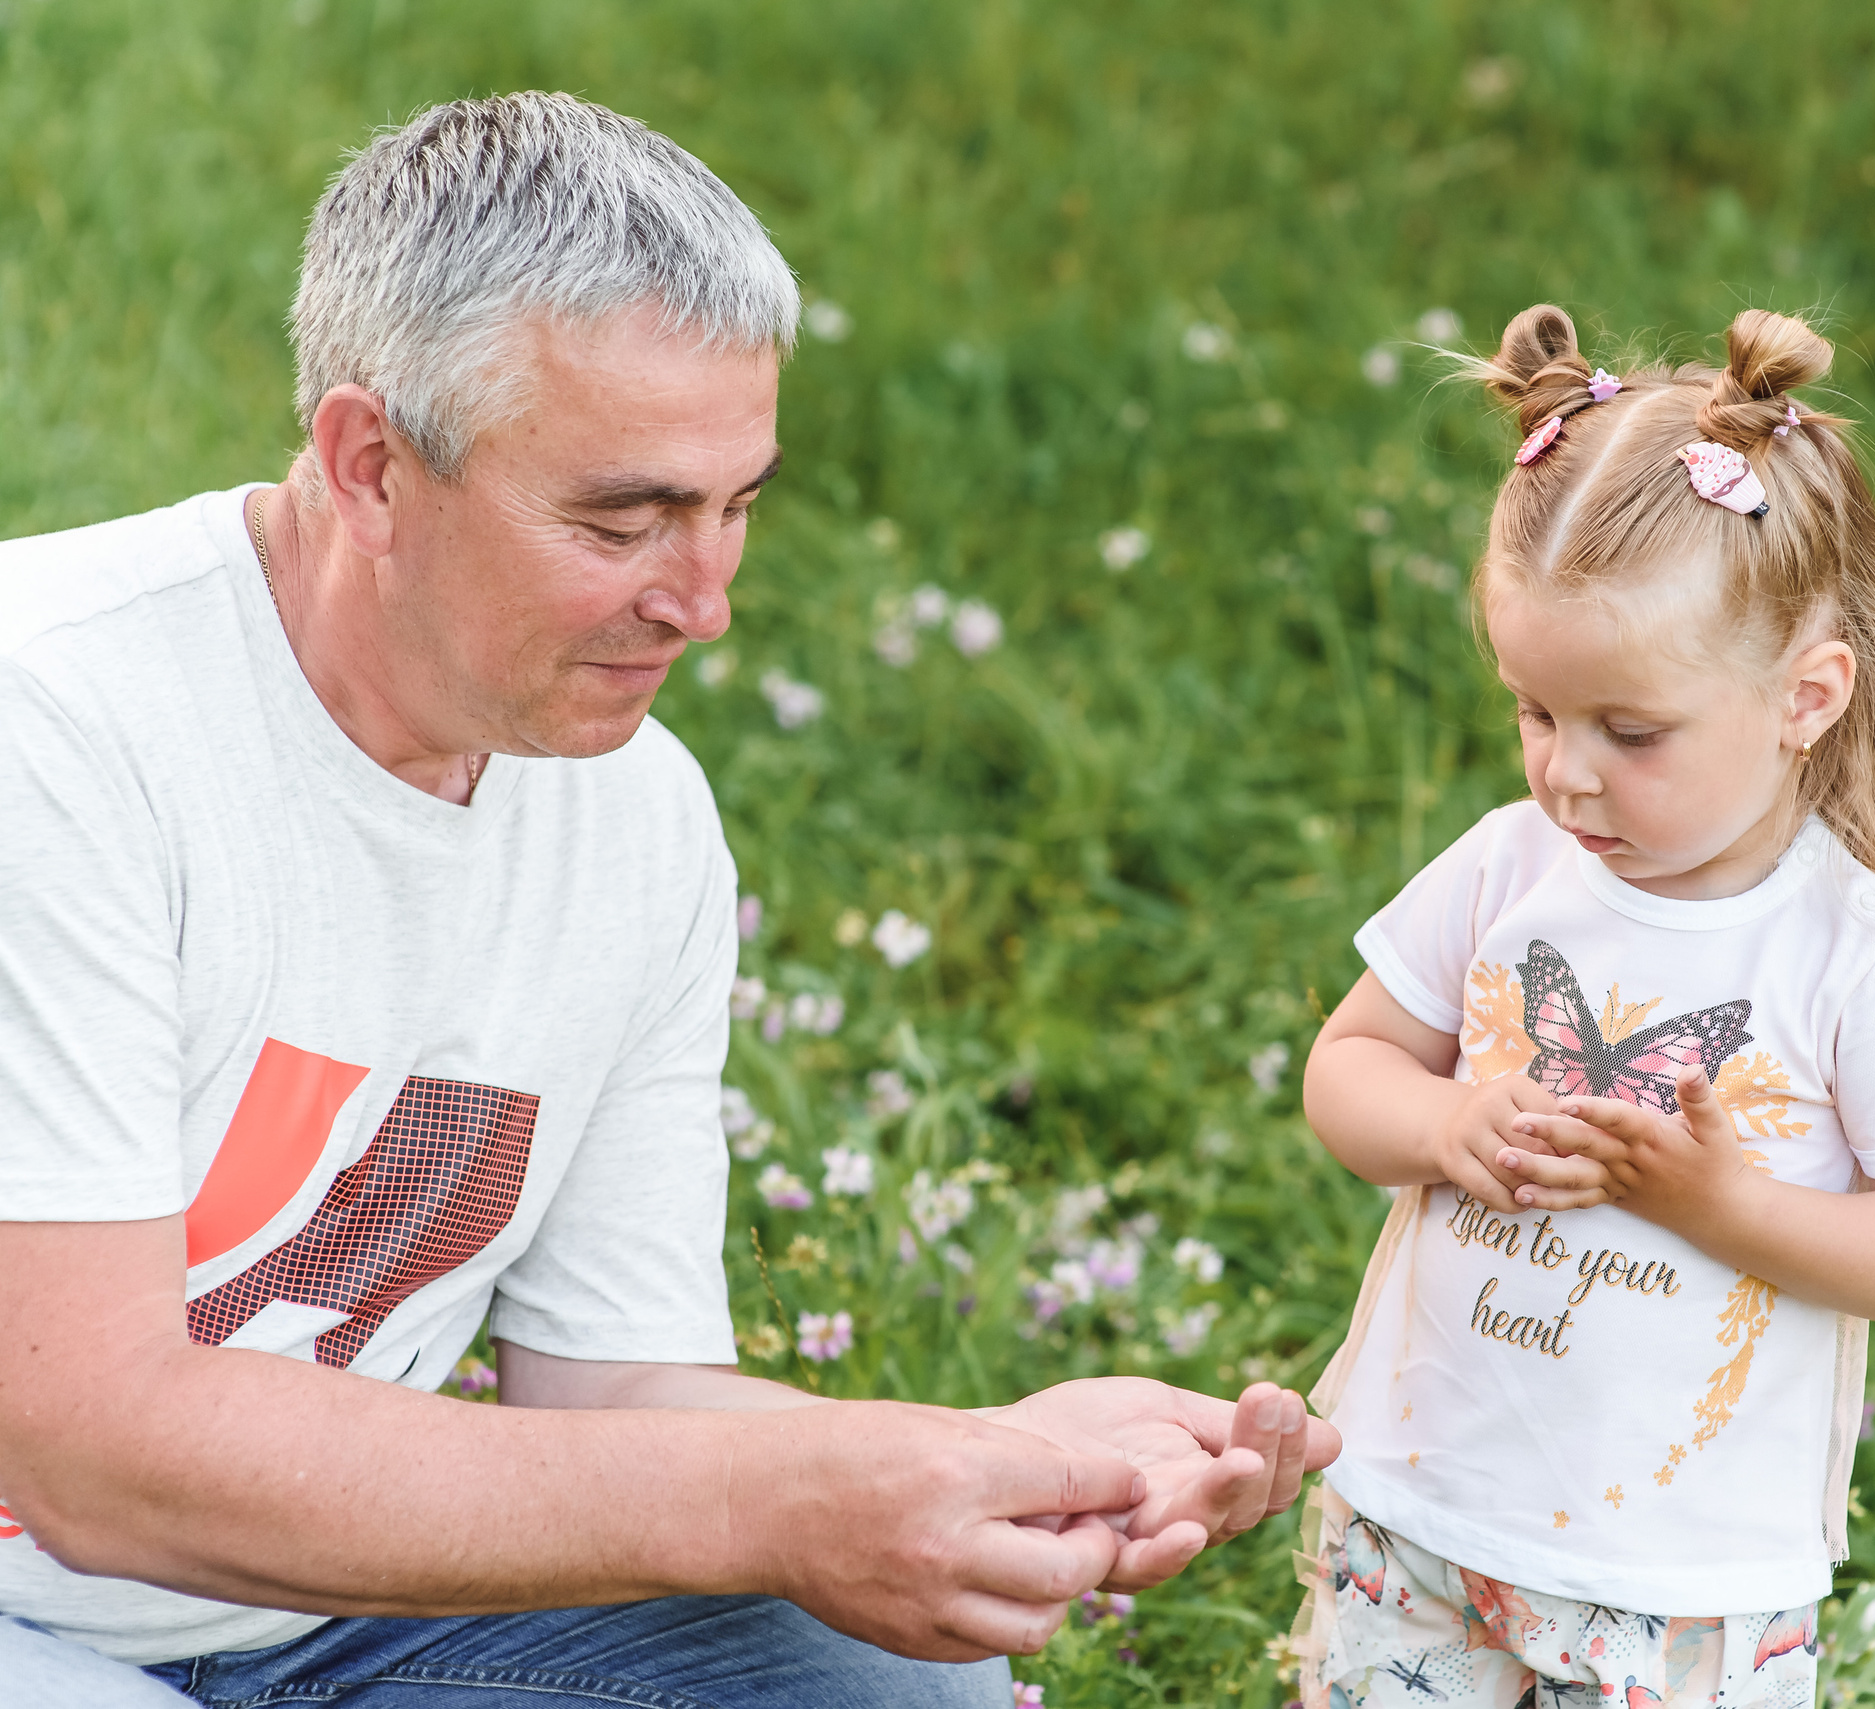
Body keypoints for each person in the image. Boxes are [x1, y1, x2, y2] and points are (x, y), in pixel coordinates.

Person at [0, 92, 1333, 1707]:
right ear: (369, 467)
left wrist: (973, 1461)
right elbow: (92, 1449)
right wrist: (781, 1503)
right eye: (621, 521)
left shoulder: (636, 818)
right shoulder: (59, 724)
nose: (704, 606)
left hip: (333, 1613)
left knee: (901, 1691)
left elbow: (612, 1388)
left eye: (737, 507)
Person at [1287, 305, 1875, 1707]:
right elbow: (1349, 1066)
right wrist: (1445, 1122)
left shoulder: (1846, 956)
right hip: (1422, 1514)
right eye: (1534, 712)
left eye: (1631, 732)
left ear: (1807, 697)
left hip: (1682, 1583)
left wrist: (1722, 1205)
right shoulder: (1511, 865)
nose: (1566, 774)